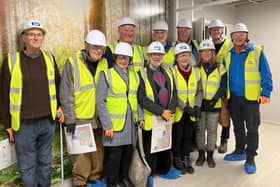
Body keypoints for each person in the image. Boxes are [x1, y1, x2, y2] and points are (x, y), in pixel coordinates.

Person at [0, 19, 64, 187]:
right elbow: (3, 95)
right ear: (23, 38)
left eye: (39, 34)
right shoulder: (11, 61)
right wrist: (7, 123)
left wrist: (59, 107)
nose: (36, 37)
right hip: (24, 125)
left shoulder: (49, 58)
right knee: (28, 167)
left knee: (45, 164)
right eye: (31, 34)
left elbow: (57, 85)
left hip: (47, 123)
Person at [60, 30, 110, 187]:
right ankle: (80, 182)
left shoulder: (104, 63)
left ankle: (94, 179)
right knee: (82, 154)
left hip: (99, 116)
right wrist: (70, 118)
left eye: (101, 47)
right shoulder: (73, 62)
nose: (98, 50)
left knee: (98, 152)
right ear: (86, 45)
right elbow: (65, 93)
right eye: (95, 46)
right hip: (81, 116)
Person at [223, 23, 273, 174]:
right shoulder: (228, 54)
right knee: (237, 127)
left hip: (251, 99)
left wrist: (266, 92)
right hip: (234, 98)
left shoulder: (257, 52)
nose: (238, 37)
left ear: (246, 36)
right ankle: (239, 150)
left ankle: (250, 156)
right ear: (231, 37)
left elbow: (266, 73)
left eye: (241, 34)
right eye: (235, 34)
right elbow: (225, 76)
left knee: (251, 128)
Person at [97, 42, 144, 187]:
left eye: (126, 58)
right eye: (120, 58)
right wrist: (107, 125)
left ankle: (123, 178)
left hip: (131, 123)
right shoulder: (107, 74)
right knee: (114, 156)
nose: (123, 61)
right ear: (116, 58)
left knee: (127, 153)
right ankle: (111, 181)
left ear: (130, 60)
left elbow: (137, 98)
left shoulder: (134, 76)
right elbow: (100, 102)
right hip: (114, 125)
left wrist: (140, 116)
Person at [137, 41, 179, 187]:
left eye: (159, 54)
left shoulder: (168, 70)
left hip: (167, 115)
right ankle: (149, 174)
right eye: (154, 54)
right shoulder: (141, 73)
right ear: (149, 55)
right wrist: (161, 112)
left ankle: (165, 169)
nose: (157, 57)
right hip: (152, 117)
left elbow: (174, 92)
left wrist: (170, 110)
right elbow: (141, 98)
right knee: (151, 149)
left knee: (165, 144)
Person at [171, 43, 203, 174]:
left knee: (188, 136)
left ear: (190, 56)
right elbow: (173, 93)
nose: (184, 58)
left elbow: (200, 90)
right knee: (177, 136)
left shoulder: (196, 71)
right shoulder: (172, 71)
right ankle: (177, 159)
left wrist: (196, 105)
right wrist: (185, 107)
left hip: (192, 111)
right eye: (181, 55)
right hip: (179, 111)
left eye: (186, 55)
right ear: (177, 58)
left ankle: (186, 158)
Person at [195, 40, 227, 168]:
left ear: (213, 53)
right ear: (200, 53)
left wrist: (214, 100)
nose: (206, 53)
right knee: (200, 130)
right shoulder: (196, 68)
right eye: (203, 51)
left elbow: (223, 86)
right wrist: (199, 102)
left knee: (212, 130)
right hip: (200, 105)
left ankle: (210, 155)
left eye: (209, 51)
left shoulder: (220, 68)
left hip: (215, 105)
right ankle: (201, 154)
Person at [208, 19, 232, 154]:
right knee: (212, 115)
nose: (216, 31)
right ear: (210, 31)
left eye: (218, 29)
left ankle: (224, 140)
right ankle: (213, 141)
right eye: (213, 29)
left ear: (222, 30)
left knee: (225, 115)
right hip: (211, 85)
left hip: (225, 85)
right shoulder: (208, 44)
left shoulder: (229, 45)